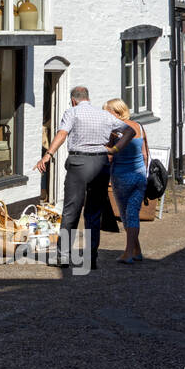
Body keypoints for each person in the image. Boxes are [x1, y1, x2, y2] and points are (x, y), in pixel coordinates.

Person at [34, 85, 133, 270]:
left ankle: (63, 257)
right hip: (101, 163)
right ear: (88, 97)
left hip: (79, 163)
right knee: (94, 212)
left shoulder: (72, 112)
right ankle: (91, 258)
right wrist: (114, 149)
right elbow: (130, 131)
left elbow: (62, 133)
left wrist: (48, 154)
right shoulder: (104, 115)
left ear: (73, 100)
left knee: (71, 210)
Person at [103, 98, 148, 264]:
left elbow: (109, 156)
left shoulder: (115, 132)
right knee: (132, 213)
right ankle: (137, 250)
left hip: (121, 177)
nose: (105, 115)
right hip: (139, 175)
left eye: (107, 112)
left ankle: (128, 253)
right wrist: (144, 173)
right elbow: (145, 154)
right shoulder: (140, 127)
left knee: (127, 215)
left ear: (116, 112)